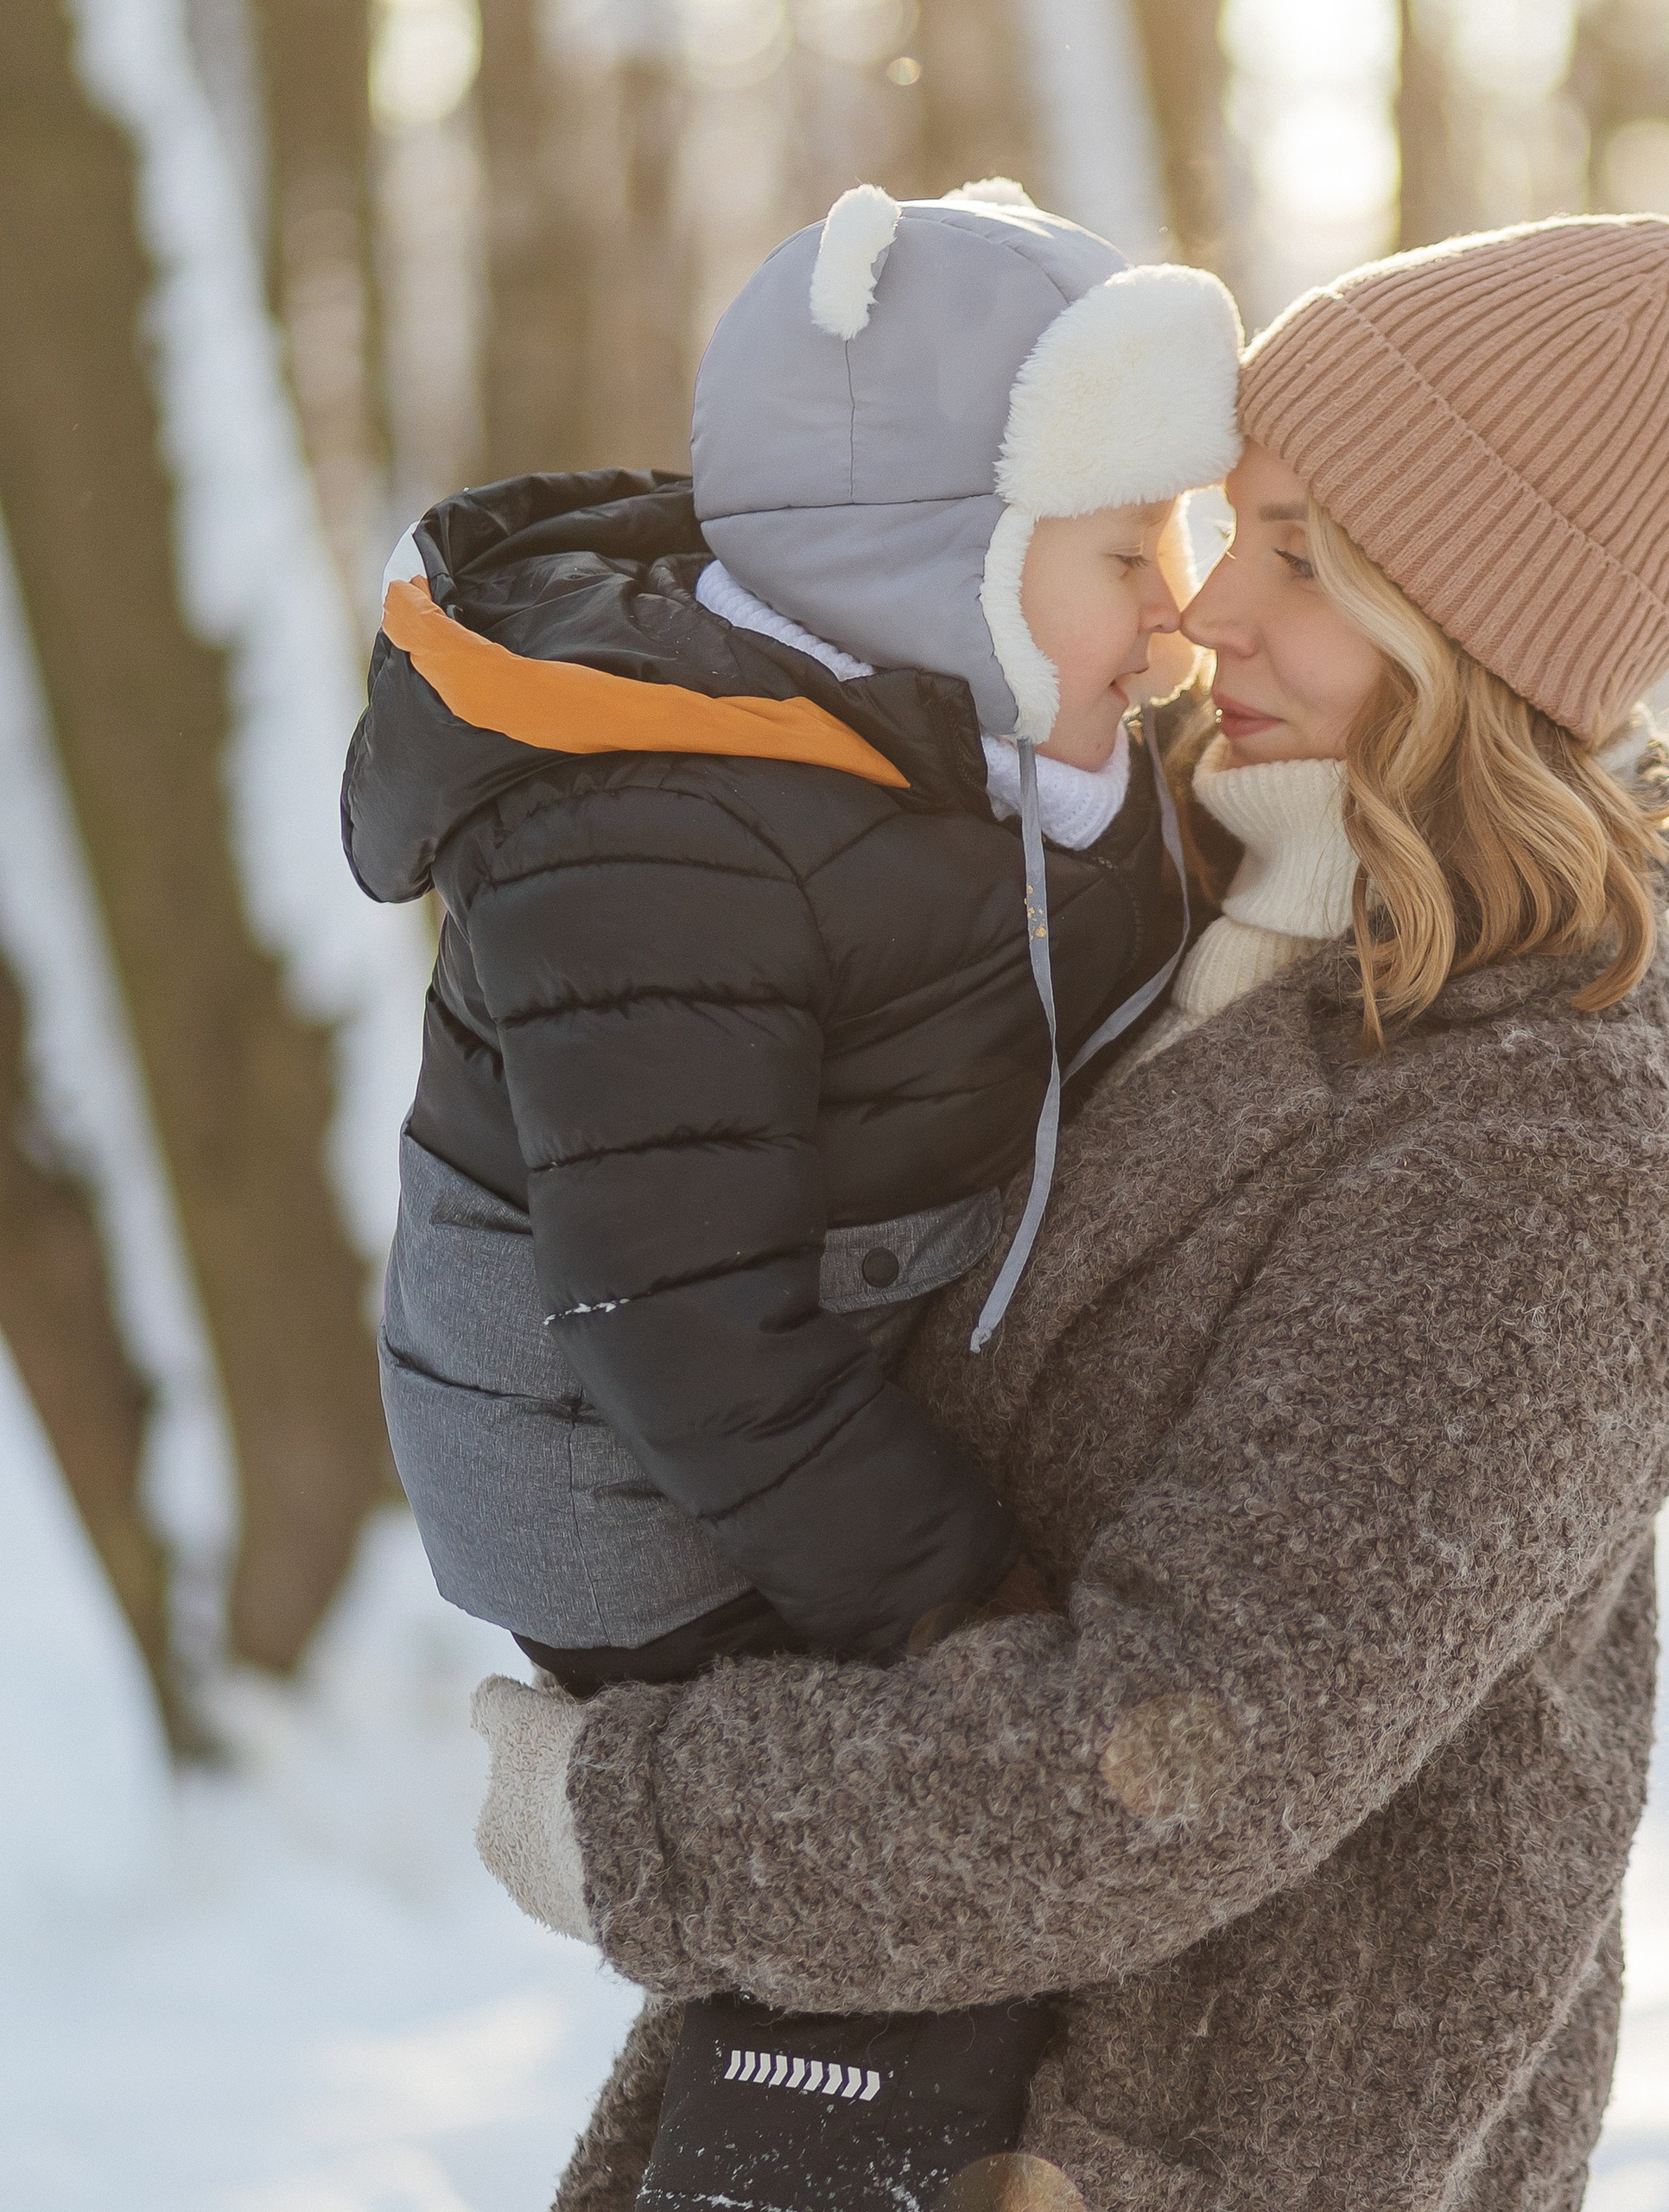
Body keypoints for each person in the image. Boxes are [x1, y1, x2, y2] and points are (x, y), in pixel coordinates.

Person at [473, 213, 1669, 2212]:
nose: (1207, 610)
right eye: (1228, 525)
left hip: (1162, 2136)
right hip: (849, 2078)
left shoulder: (1548, 1134)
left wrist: (638, 1815)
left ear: (1476, 631)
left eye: (1305, 560)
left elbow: (1164, 1753)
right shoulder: (1123, 886)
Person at [343, 180, 1241, 2209]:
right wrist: (950, 1591)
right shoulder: (653, 828)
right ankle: (802, 2163)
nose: (1178, 607)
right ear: (934, 557)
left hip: (787, 1373)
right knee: (927, 1850)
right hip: (606, 1468)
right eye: (1127, 549)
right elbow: (670, 1308)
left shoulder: (962, 743)